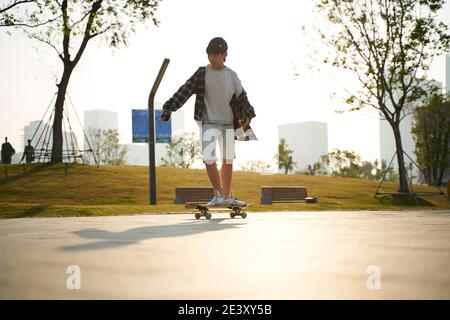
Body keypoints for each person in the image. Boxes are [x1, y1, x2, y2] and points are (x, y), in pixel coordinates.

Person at [161, 37, 257, 207]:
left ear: (225, 55)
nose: (212, 58)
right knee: (209, 158)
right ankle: (218, 194)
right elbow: (185, 90)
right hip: (209, 122)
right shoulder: (202, 73)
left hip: (228, 123)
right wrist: (169, 107)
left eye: (216, 55)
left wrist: (248, 114)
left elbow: (243, 98)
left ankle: (227, 196)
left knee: (228, 160)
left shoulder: (232, 76)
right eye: (209, 55)